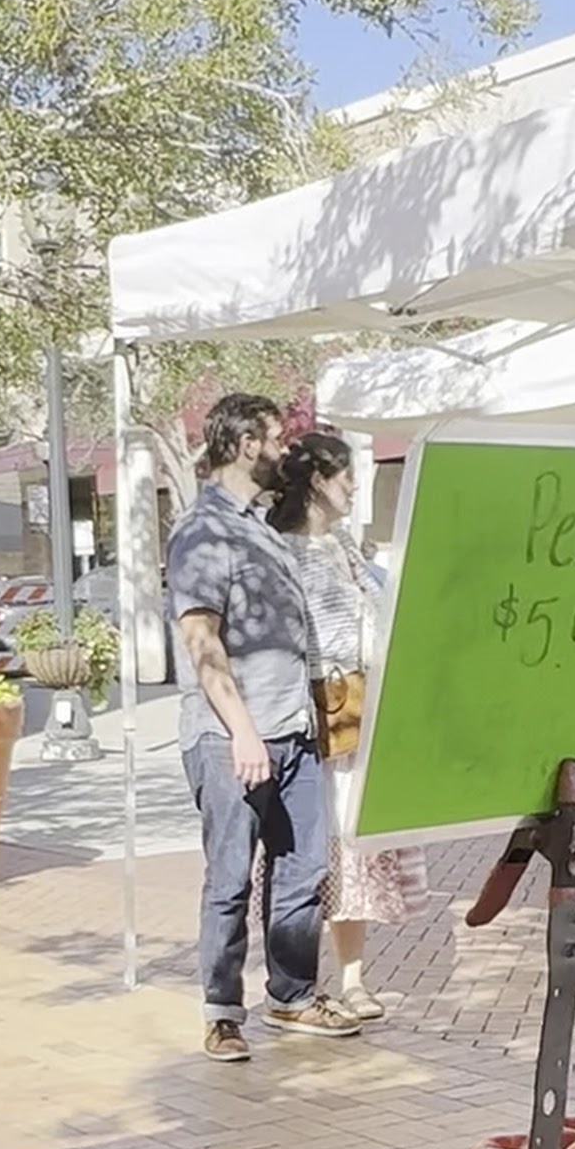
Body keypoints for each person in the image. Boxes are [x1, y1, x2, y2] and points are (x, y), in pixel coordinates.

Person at [168, 393, 356, 1061]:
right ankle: (223, 1013)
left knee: (303, 867)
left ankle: (293, 994)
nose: (285, 451)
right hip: (231, 737)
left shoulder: (260, 526)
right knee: (229, 879)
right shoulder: (203, 532)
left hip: (295, 728)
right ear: (247, 442)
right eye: (277, 439)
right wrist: (244, 732)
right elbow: (202, 641)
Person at [269, 431, 426, 1018]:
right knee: (316, 850)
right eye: (345, 476)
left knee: (351, 848)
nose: (355, 487)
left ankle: (352, 976)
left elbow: (378, 615)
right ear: (318, 481)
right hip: (311, 712)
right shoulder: (282, 549)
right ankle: (301, 981)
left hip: (356, 710)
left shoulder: (342, 548)